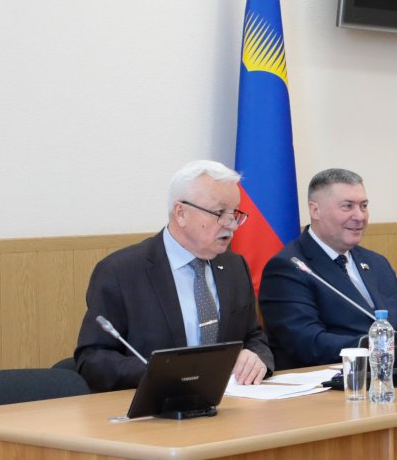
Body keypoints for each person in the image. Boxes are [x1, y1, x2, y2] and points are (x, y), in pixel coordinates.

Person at [72, 160, 275, 392]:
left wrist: (256, 357)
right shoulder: (120, 271)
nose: (232, 225)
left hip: (229, 403)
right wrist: (160, 373)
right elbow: (92, 359)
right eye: (220, 213)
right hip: (154, 405)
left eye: (235, 213)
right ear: (181, 213)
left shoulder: (234, 266)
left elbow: (254, 337)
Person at [258, 168, 397, 370]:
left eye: (364, 206)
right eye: (347, 206)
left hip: (385, 377)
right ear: (315, 210)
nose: (359, 216)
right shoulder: (288, 267)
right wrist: (385, 346)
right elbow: (307, 343)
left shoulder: (376, 262)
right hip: (329, 380)